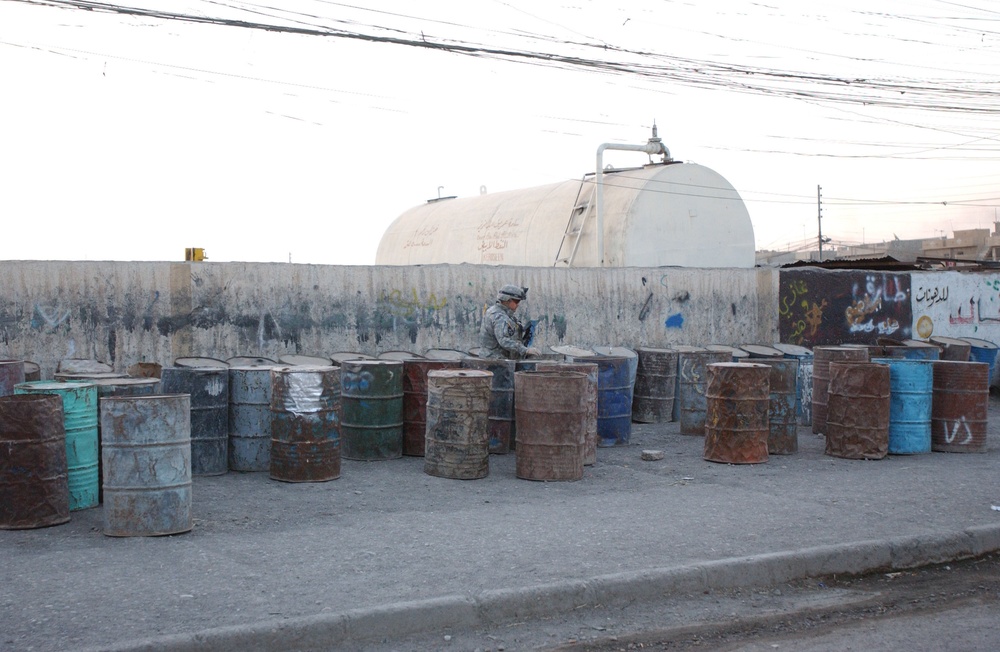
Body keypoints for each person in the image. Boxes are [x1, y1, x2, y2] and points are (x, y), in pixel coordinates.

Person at [479, 284, 542, 360]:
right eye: (516, 301)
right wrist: (525, 350)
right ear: (508, 300)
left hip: (497, 359)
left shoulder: (501, 312)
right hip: (496, 361)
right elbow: (504, 341)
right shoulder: (500, 316)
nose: (518, 305)